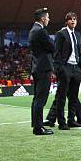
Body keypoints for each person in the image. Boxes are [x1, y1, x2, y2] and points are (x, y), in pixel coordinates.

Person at [43, 12, 81, 130]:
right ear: (66, 21)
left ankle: (71, 120)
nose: (73, 21)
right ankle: (61, 122)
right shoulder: (61, 34)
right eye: (71, 19)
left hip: (76, 68)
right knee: (61, 96)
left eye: (75, 19)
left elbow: (79, 51)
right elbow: (56, 53)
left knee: (73, 96)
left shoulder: (77, 34)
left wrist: (80, 68)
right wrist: (60, 68)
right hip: (65, 67)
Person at [29, 8, 55, 136]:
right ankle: (38, 128)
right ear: (43, 18)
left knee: (36, 98)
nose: (49, 20)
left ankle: (35, 124)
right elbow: (52, 47)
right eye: (48, 17)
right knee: (41, 99)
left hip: (36, 67)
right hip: (43, 68)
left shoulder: (33, 30)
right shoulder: (41, 31)